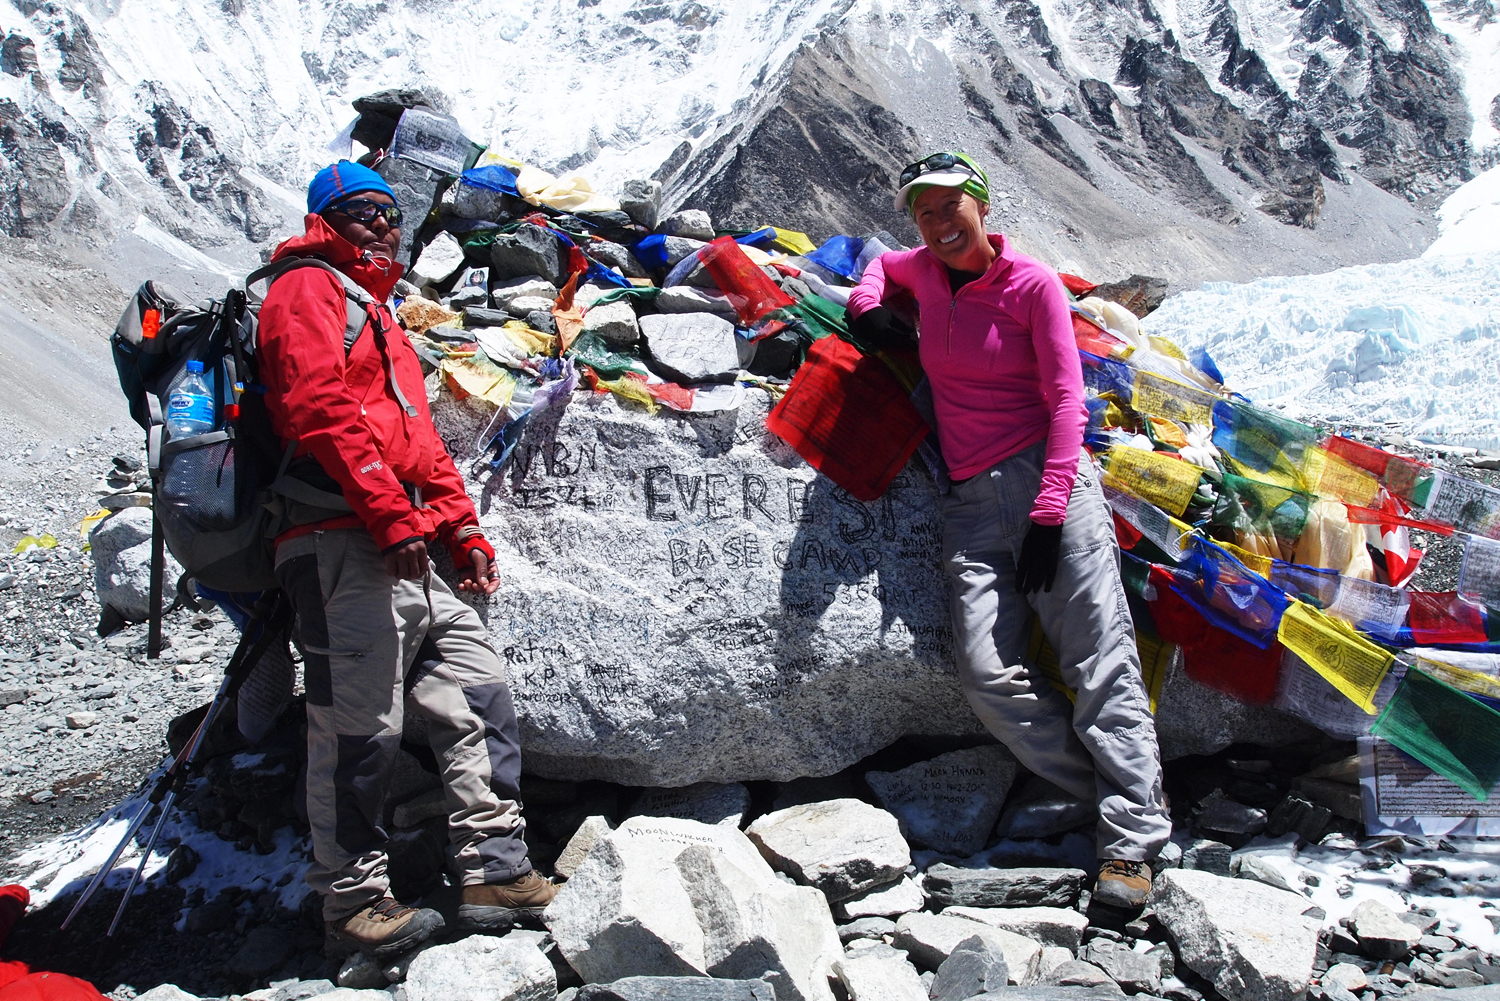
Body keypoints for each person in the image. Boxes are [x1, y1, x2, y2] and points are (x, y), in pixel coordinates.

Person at [847, 152, 1172, 908]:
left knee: (1097, 662)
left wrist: (1051, 514)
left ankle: (1131, 842)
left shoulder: (1033, 285)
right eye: (923, 211)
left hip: (1048, 486)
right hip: (969, 501)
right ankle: (1110, 793)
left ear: (981, 205)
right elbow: (878, 266)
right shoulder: (923, 270)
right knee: (989, 677)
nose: (938, 222)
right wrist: (867, 306)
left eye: (950, 205)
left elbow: (1067, 402)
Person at [255, 160, 557, 957]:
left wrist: (464, 532)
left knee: (478, 692)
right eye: (364, 212)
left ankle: (495, 869)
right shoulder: (305, 288)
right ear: (325, 219)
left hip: (404, 542)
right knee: (358, 728)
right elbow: (317, 408)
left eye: (392, 213)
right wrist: (393, 519)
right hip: (336, 537)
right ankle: (352, 902)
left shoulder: (376, 309)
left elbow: (418, 445)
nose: (384, 226)